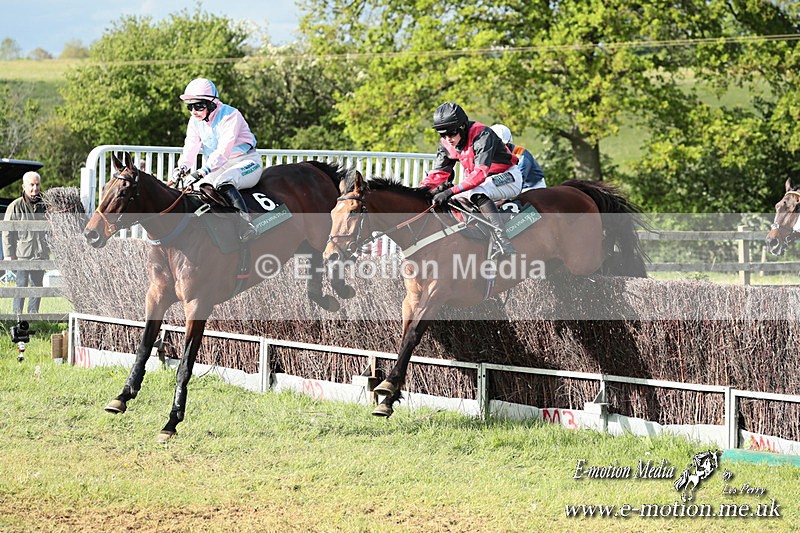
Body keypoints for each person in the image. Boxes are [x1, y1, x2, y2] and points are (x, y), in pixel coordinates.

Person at [421, 102, 522, 256]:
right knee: (452, 200)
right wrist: (418, 191)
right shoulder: (447, 144)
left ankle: (503, 243)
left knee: (476, 192)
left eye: (451, 133)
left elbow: (480, 174)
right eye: (442, 134)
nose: (448, 139)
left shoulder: (482, 134)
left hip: (509, 177)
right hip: (484, 181)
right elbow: (438, 174)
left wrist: (450, 190)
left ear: (462, 127)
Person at [173, 77, 260, 242]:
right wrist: (182, 168)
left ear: (212, 103)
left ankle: (246, 226)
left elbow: (223, 151)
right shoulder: (195, 120)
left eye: (198, 105)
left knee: (224, 182)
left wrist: (201, 171)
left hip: (246, 162)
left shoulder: (231, 115)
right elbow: (190, 146)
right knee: (193, 188)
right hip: (218, 166)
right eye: (190, 106)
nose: (193, 111)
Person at [3, 171, 50, 314]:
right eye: (31, 185)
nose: (35, 188)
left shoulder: (46, 205)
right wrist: (8, 255)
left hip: (40, 255)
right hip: (21, 255)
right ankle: (17, 318)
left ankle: (33, 318)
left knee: (37, 288)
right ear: (23, 186)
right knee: (21, 287)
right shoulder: (15, 206)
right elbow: (6, 232)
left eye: (37, 184)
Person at [490, 124, 546, 191]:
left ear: (508, 142)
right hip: (509, 185)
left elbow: (518, 180)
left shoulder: (521, 156)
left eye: (502, 145)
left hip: (531, 187)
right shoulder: (486, 153)